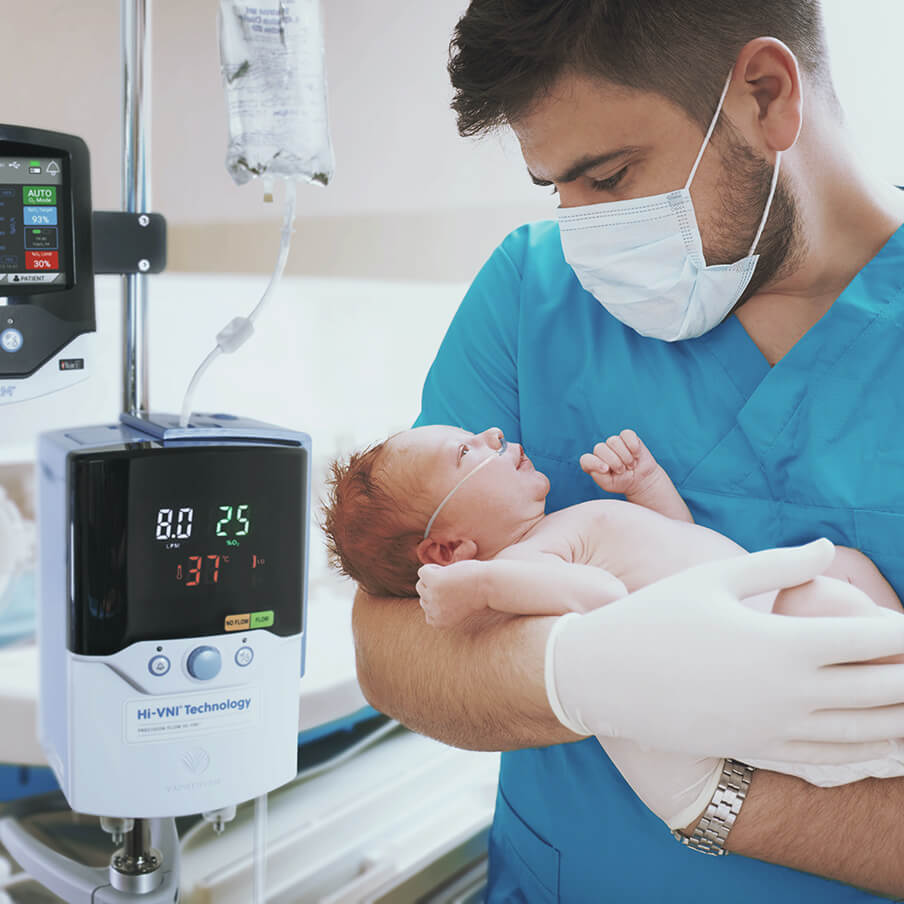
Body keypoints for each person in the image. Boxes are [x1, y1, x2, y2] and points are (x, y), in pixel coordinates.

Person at [351, 1, 904, 899]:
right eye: (555, 189)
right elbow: (394, 640)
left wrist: (717, 798)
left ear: (764, 97)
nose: (580, 233)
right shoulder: (531, 295)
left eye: (606, 180)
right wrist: (574, 676)